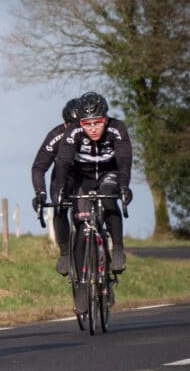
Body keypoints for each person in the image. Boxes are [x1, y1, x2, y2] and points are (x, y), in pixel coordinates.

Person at [53, 91, 133, 290]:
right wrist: (60, 188)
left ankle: (118, 249)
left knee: (108, 196)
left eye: (97, 123)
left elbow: (124, 161)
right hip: (83, 177)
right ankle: (81, 276)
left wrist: (124, 186)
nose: (93, 128)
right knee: (80, 219)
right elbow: (63, 162)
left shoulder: (117, 128)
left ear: (105, 119)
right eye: (87, 124)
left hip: (109, 173)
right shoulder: (73, 131)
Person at [32, 98, 81, 276]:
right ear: (64, 124)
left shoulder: (93, 133)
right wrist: (40, 192)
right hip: (64, 176)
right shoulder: (57, 135)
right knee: (58, 205)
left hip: (89, 176)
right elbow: (39, 167)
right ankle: (65, 252)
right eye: (70, 125)